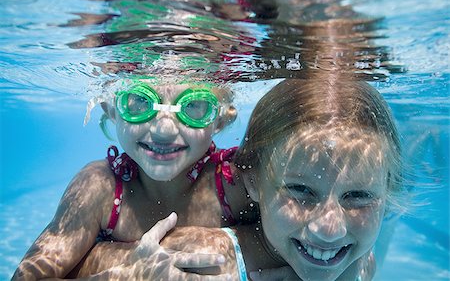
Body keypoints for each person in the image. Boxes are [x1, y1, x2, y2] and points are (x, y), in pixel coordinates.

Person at [70, 75, 406, 280]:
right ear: (252, 181)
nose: (328, 228)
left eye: (359, 196)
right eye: (301, 191)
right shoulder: (217, 248)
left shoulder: (342, 246)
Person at [12, 79, 256, 280]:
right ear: (112, 110)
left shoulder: (235, 187)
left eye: (193, 105)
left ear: (220, 121)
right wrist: (129, 273)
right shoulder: (99, 187)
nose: (164, 131)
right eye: (140, 101)